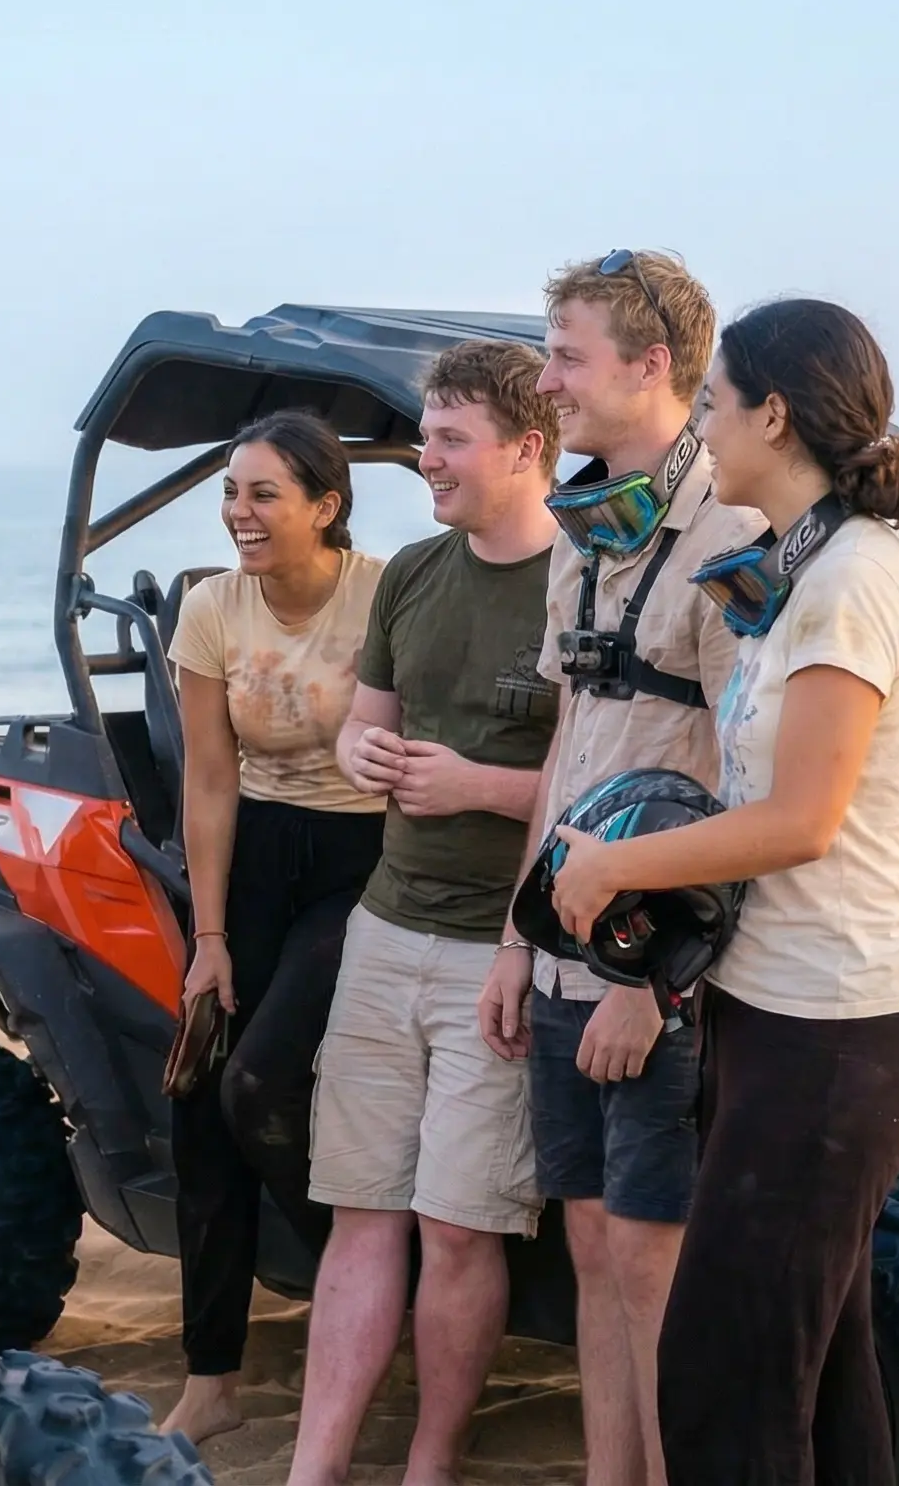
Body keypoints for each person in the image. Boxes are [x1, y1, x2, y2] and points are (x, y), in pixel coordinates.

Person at [546, 299, 899, 1484]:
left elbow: (799, 822)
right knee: (821, 1384)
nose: (702, 430)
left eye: (715, 404)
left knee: (726, 1379)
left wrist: (616, 863)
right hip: (783, 1021)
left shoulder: (849, 584)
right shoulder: (806, 567)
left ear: (774, 414)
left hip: (837, 1035)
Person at [486, 249, 764, 1486]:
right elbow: (571, 736)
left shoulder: (735, 533)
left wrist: (643, 982)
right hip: (559, 955)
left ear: (652, 367)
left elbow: (740, 773)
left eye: (565, 358)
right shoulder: (583, 520)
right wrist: (516, 941)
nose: (544, 384)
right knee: (592, 1244)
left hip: (658, 966)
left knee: (654, 1259)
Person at [290, 340, 562, 1486]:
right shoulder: (409, 571)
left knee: (459, 1224)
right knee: (362, 1210)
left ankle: (430, 1465)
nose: (423, 457)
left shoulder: (585, 583)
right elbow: (364, 721)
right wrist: (365, 751)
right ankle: (313, 1468)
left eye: (449, 438)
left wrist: (479, 788)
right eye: (424, 433)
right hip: (384, 928)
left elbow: (609, 775)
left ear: (527, 450)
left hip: (500, 953)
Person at [158, 410, 388, 1446]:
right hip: (250, 855)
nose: (238, 514)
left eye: (263, 495)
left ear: (325, 506)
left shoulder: (386, 591)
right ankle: (211, 1375)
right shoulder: (212, 607)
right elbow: (208, 779)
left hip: (364, 860)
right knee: (202, 1095)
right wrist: (207, 938)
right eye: (231, 494)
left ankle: (368, 1277)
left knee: (263, 1082)